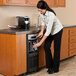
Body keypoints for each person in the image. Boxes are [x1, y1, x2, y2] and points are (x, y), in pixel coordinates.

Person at [33, 0, 63, 74]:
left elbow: (48, 31)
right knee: (46, 46)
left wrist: (40, 43)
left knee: (56, 49)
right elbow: (43, 22)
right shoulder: (41, 13)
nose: (40, 12)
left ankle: (55, 68)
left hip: (57, 31)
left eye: (41, 10)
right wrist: (41, 31)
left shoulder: (51, 15)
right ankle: (50, 66)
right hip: (49, 31)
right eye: (39, 10)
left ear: (45, 8)